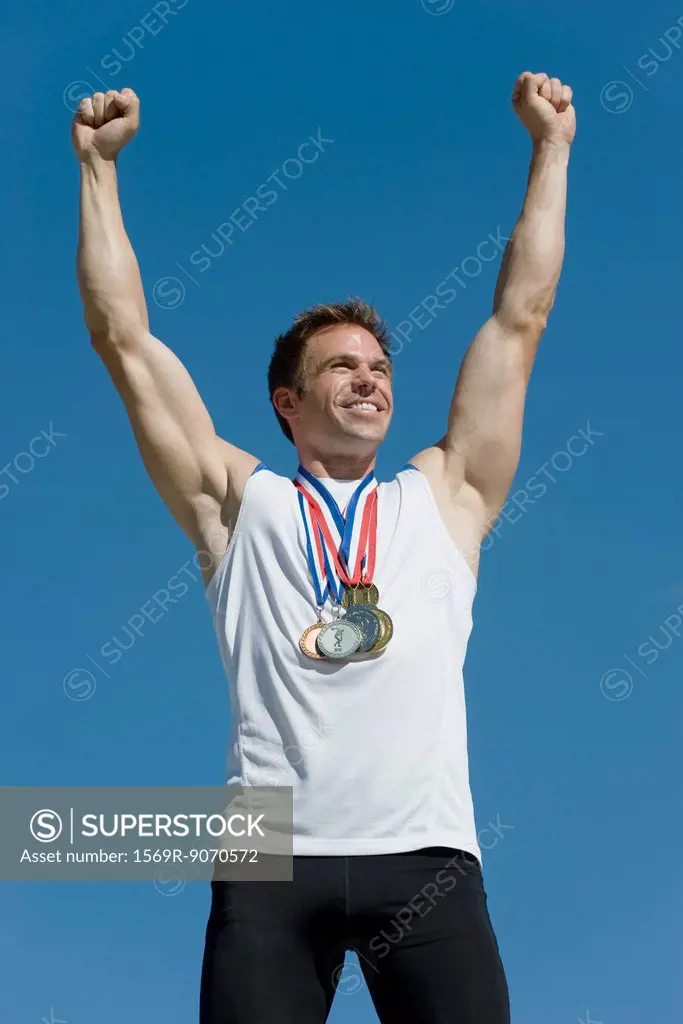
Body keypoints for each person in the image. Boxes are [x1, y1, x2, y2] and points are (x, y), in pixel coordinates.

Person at [71, 70, 574, 1024]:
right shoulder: (237, 502)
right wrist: (97, 172)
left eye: (380, 367)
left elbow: (520, 320)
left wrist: (550, 151)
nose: (369, 380)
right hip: (271, 864)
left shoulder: (445, 496)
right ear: (286, 404)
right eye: (341, 366)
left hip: (427, 859)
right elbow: (123, 339)